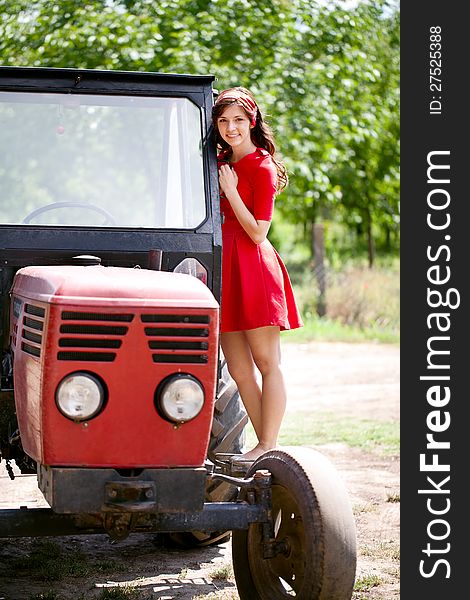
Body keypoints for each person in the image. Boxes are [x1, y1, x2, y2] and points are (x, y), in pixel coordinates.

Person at [212, 87, 303, 462]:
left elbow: (258, 232)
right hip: (225, 269)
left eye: (238, 120)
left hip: (254, 269)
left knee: (267, 364)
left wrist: (231, 192)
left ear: (252, 122)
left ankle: (269, 444)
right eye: (223, 121)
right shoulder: (218, 162)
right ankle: (261, 445)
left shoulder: (262, 166)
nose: (231, 128)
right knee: (237, 369)